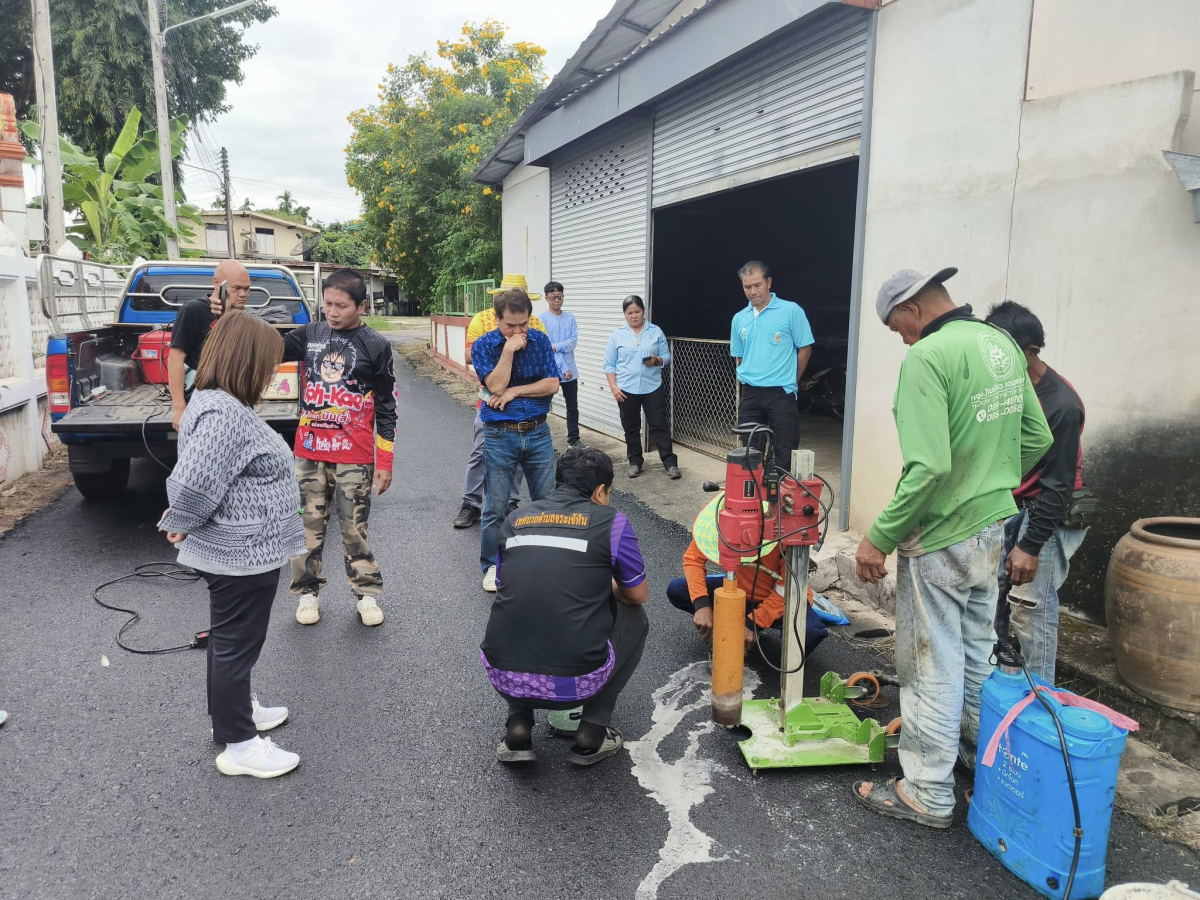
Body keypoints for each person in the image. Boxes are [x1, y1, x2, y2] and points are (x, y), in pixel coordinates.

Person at [852, 268, 1052, 829]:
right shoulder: (1000, 343)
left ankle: (927, 791)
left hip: (939, 538)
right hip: (993, 530)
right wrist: (987, 482)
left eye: (899, 329)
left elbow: (929, 466)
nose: (904, 341)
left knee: (928, 663)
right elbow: (1037, 438)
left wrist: (878, 537)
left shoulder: (927, 358)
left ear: (913, 310)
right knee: (974, 652)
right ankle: (975, 760)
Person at [157, 310, 306, 778]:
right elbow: (193, 482)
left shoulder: (215, 400)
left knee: (230, 641)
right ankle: (239, 743)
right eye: (268, 364)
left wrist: (185, 519)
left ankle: (235, 710)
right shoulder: (224, 412)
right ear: (247, 361)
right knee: (235, 644)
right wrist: (180, 518)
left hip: (241, 548)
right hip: (239, 554)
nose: (271, 374)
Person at [481, 447, 649, 766]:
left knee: (526, 605)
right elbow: (637, 594)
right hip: (577, 681)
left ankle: (518, 725)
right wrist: (600, 584)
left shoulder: (515, 519)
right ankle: (592, 731)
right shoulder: (612, 522)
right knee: (635, 618)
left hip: (502, 673)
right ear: (600, 491)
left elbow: (506, 584)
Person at [284, 269, 397, 627]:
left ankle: (365, 595)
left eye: (342, 306)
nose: (332, 311)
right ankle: (307, 594)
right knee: (309, 527)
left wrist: (386, 460)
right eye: (328, 303)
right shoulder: (310, 334)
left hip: (354, 454)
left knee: (354, 528)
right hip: (310, 451)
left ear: (362, 306)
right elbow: (264, 346)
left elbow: (386, 405)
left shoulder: (375, 345)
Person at [985, 301, 1088, 683]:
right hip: (1011, 505)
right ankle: (995, 688)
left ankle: (1041, 701)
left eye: (1003, 352)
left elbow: (1058, 486)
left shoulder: (1060, 404)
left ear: (1030, 352)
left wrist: (1029, 547)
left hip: (1046, 512)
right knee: (993, 597)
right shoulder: (1006, 385)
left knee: (1030, 608)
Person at [665, 492, 828, 659]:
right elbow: (693, 560)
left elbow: (787, 590)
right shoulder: (721, 523)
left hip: (780, 597)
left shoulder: (784, 536)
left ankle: (781, 666)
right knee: (677, 590)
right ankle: (728, 627)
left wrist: (753, 623)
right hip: (738, 591)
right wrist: (701, 604)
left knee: (810, 633)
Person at [472, 288, 561, 592]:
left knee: (547, 503)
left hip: (538, 431)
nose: (519, 331)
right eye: (510, 325)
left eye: (523, 323)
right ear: (496, 319)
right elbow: (495, 385)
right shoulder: (484, 346)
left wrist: (515, 392)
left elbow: (552, 384)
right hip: (500, 434)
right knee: (496, 506)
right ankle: (492, 565)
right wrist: (508, 350)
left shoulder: (539, 341)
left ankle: (544, 562)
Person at [451, 276, 546, 529]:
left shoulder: (536, 323)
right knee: (480, 451)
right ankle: (470, 503)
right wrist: (507, 346)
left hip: (524, 402)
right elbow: (470, 355)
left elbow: (546, 361)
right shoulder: (483, 320)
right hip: (490, 398)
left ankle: (511, 501)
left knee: (517, 454)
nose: (518, 327)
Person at [730, 261, 815, 465]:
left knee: (784, 452)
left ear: (769, 282)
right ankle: (754, 496)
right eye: (747, 286)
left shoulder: (791, 311)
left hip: (781, 393)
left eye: (757, 285)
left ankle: (778, 496)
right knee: (749, 455)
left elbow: (805, 349)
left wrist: (792, 380)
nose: (752, 291)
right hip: (751, 394)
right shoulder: (739, 319)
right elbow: (739, 356)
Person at [603, 296, 680, 480]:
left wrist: (657, 361)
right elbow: (609, 364)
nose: (634, 316)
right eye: (629, 313)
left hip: (652, 387)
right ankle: (635, 462)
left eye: (637, 311)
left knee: (659, 425)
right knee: (631, 427)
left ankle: (670, 464)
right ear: (625, 314)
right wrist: (614, 387)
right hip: (626, 389)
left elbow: (666, 356)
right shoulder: (617, 335)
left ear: (643, 311)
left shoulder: (655, 331)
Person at [169, 259, 252, 431]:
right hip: (201, 402)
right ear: (217, 283)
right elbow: (175, 359)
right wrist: (179, 408)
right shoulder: (193, 310)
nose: (243, 294)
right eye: (237, 288)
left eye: (247, 288)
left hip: (235, 404)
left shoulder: (246, 317)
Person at [542, 280, 584, 449]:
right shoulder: (542, 320)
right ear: (546, 298)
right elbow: (547, 348)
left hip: (571, 370)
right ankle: (540, 437)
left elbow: (573, 342)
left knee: (572, 407)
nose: (557, 300)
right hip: (551, 370)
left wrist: (557, 346)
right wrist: (563, 368)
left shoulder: (570, 318)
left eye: (560, 296)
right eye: (553, 297)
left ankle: (574, 439)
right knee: (544, 405)